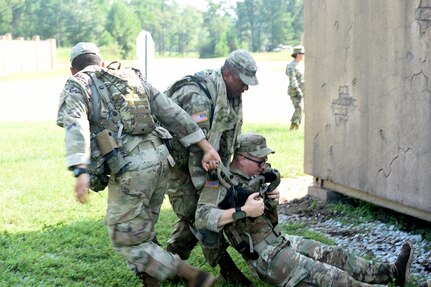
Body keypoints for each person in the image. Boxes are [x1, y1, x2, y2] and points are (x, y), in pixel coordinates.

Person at [56, 42, 221, 287]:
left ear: (72, 69)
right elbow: (171, 111)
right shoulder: (130, 77)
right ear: (101, 63)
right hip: (161, 160)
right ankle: (151, 281)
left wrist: (79, 169)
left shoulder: (77, 83)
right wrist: (205, 146)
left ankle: (187, 273)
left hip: (131, 169)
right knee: (143, 231)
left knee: (125, 239)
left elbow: (75, 124)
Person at [195, 132, 415, 287]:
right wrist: (243, 211)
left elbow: (271, 224)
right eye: (260, 161)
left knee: (335, 255)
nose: (264, 166)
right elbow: (202, 217)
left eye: (266, 161)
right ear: (242, 159)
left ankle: (393, 273)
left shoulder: (254, 177)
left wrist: (270, 203)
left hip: (280, 241)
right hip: (265, 259)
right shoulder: (221, 183)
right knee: (332, 277)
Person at [163, 49, 258, 286]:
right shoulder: (197, 97)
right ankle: (226, 267)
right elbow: (198, 150)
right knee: (200, 212)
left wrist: (228, 179)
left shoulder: (232, 94)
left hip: (205, 161)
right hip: (179, 163)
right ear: (228, 74)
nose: (246, 88)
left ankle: (169, 258)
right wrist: (212, 192)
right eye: (243, 82)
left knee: (196, 214)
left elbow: (228, 139)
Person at [286, 45, 305, 130]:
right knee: (299, 108)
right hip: (295, 91)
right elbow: (292, 79)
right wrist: (298, 90)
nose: (303, 55)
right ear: (297, 54)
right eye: (301, 54)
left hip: (302, 89)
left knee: (302, 109)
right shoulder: (291, 66)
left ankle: (297, 126)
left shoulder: (300, 65)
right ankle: (293, 125)